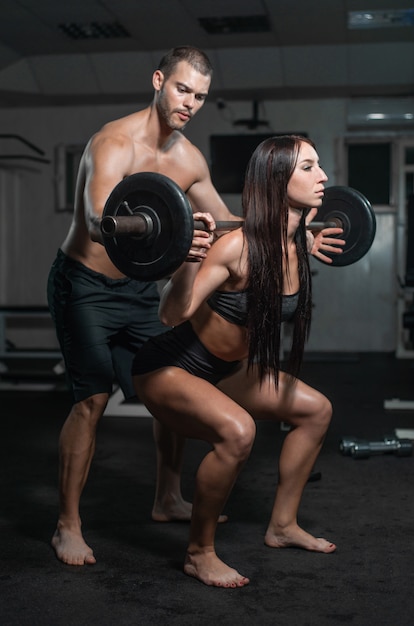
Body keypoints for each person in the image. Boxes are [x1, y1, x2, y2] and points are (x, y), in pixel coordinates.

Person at [47, 45, 242, 567]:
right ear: (159, 80)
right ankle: (68, 523)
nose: (190, 103)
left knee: (166, 384)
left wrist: (288, 232)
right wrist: (179, 245)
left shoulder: (188, 160)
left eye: (200, 96)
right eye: (182, 89)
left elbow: (224, 222)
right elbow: (96, 222)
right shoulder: (112, 141)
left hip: (138, 291)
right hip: (84, 283)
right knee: (92, 399)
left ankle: (166, 498)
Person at [132, 135, 345, 588]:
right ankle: (198, 552)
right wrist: (189, 258)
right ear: (275, 178)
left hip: (227, 371)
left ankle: (283, 525)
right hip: (171, 366)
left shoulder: (295, 243)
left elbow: (287, 246)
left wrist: (305, 241)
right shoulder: (234, 248)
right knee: (238, 431)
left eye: (319, 165)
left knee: (316, 410)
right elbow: (170, 315)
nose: (323, 176)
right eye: (308, 167)